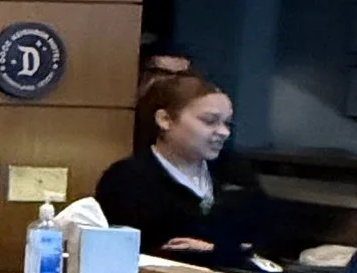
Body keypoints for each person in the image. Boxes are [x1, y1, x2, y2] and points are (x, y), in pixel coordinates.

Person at [94, 69, 303, 261]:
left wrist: (214, 249)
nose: (224, 132)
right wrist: (232, 249)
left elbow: (274, 242)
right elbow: (152, 252)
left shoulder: (234, 171)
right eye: (210, 121)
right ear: (165, 119)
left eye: (227, 123)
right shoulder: (126, 180)